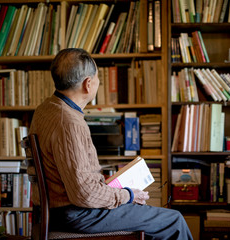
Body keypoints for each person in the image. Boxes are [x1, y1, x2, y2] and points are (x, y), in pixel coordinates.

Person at [29, 48, 193, 240]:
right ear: (88, 84)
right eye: (98, 78)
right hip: (77, 214)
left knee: (149, 220)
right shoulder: (69, 123)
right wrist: (127, 195)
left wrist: (110, 188)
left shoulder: (46, 108)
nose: (98, 83)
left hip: (58, 210)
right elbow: (84, 195)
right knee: (173, 220)